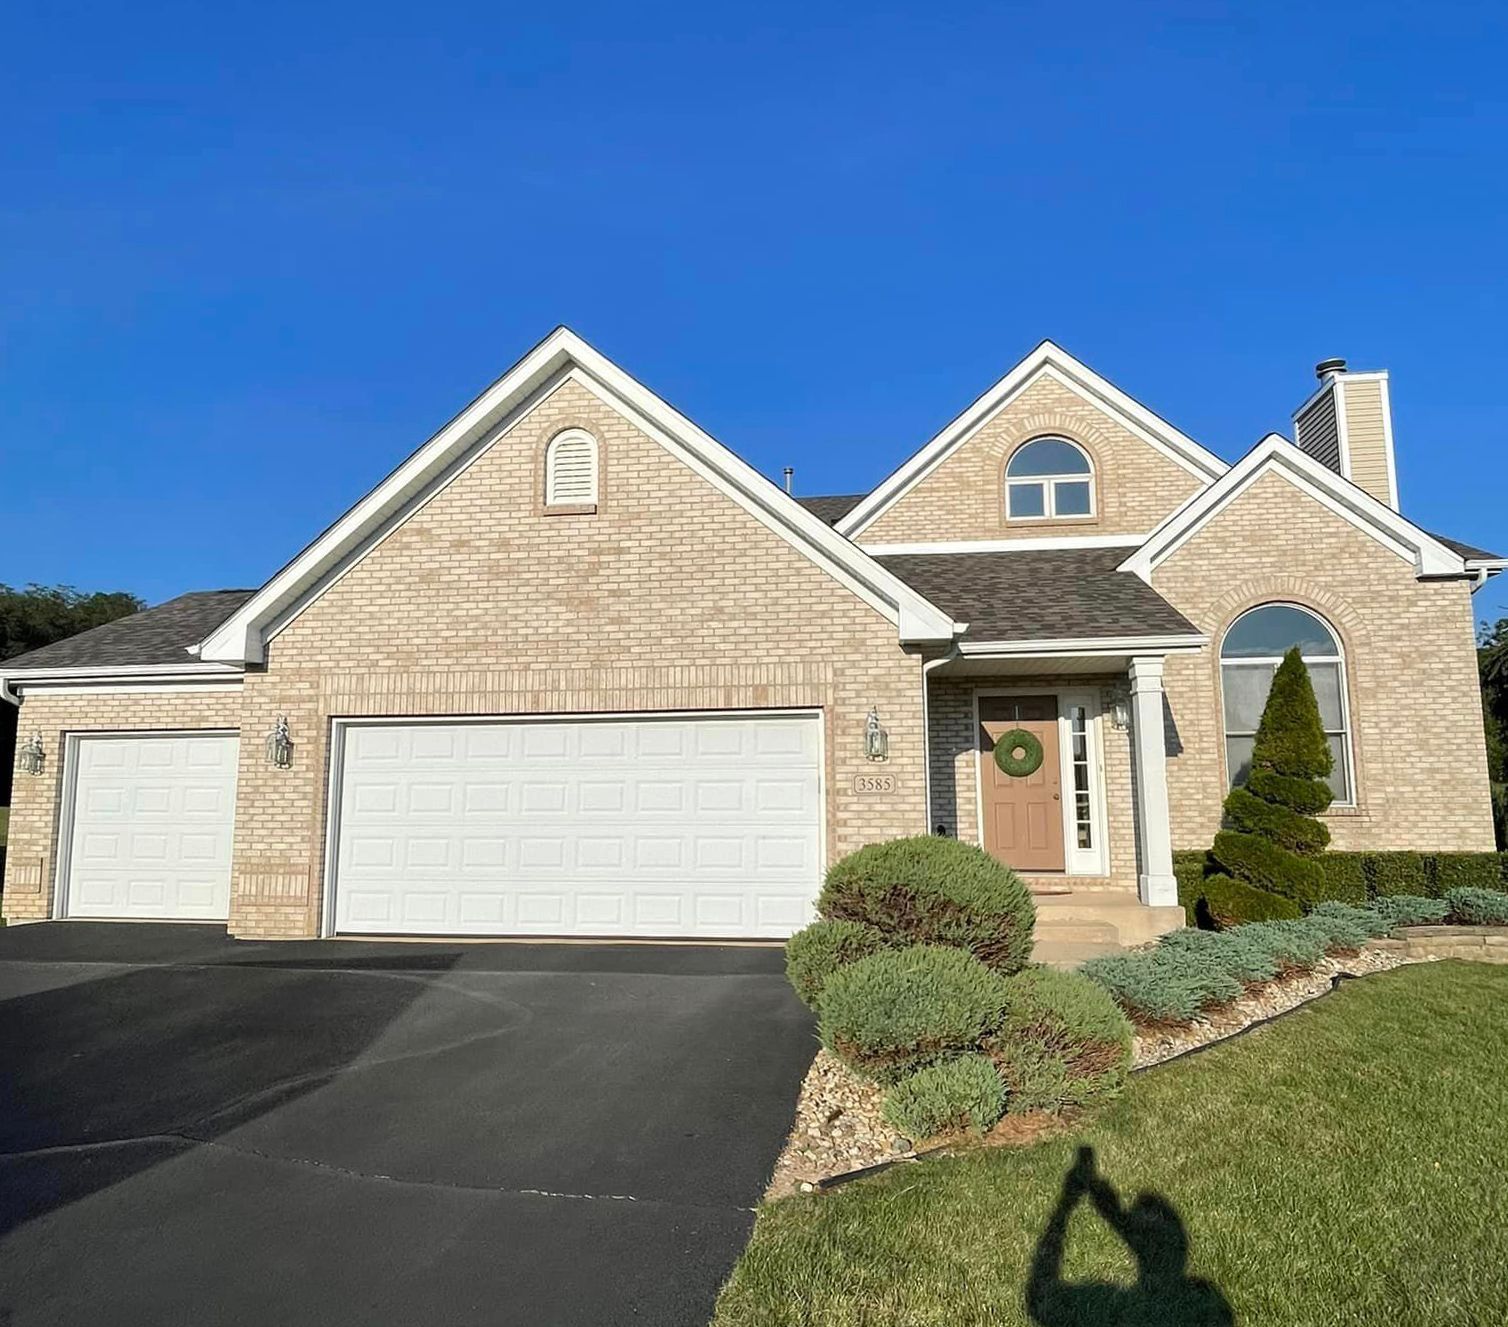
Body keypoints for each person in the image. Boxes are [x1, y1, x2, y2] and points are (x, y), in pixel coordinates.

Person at [1026, 1145, 1234, 1327]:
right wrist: (1111, 1210)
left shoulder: (1114, 1310)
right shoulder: (1205, 1301)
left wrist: (1066, 1205)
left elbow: (1039, 1298)